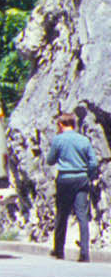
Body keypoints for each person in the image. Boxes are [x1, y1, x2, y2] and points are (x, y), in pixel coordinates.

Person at [48, 112, 100, 263]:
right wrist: (88, 175)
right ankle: (84, 253)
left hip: (65, 179)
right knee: (82, 216)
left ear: (60, 124)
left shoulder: (58, 140)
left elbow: (50, 160)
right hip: (81, 178)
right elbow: (93, 163)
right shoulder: (84, 140)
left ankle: (59, 250)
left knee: (62, 215)